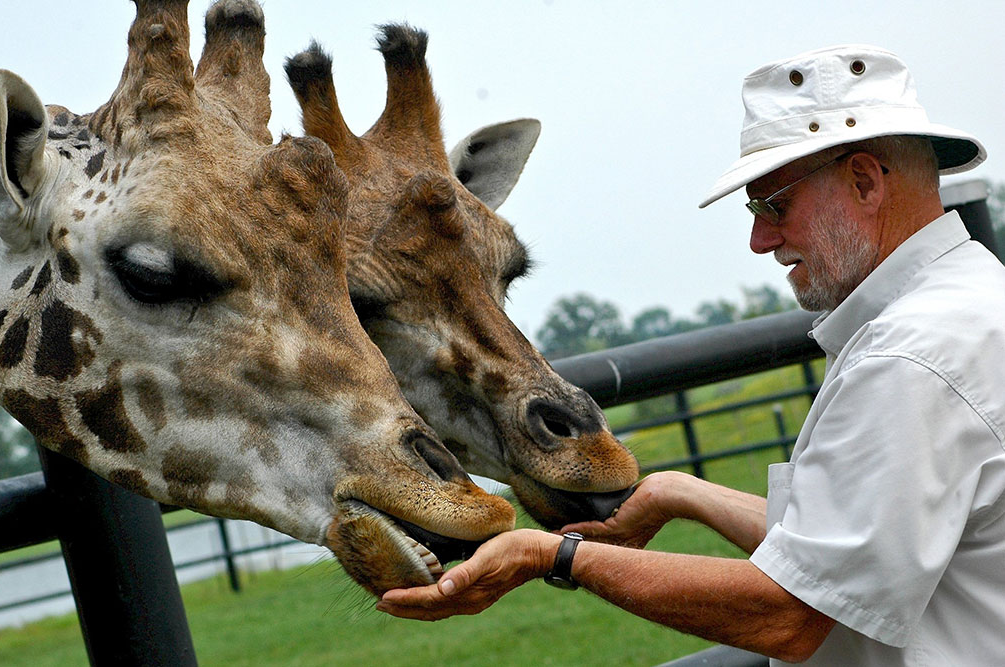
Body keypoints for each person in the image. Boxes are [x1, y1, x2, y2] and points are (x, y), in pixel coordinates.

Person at [376, 44, 1004, 665]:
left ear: (864, 181)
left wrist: (553, 555)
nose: (761, 240)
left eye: (773, 206)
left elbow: (790, 614)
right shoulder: (965, 310)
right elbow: (850, 554)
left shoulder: (909, 360)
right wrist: (680, 493)